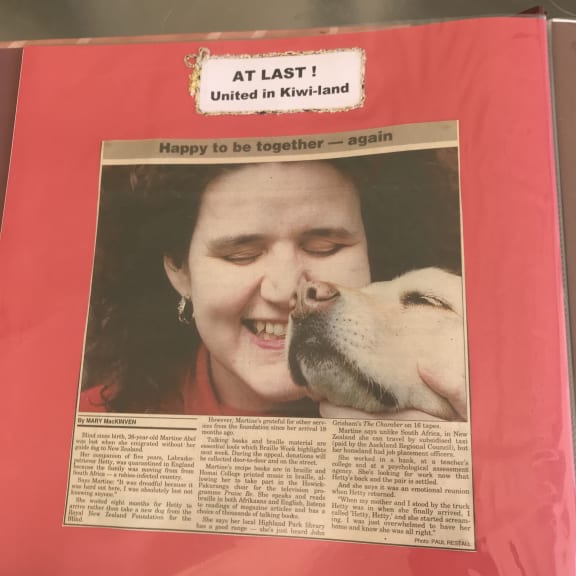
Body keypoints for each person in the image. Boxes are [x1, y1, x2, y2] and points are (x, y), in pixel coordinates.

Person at [80, 148, 462, 417]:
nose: (286, 291)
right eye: (241, 255)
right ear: (181, 273)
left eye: (325, 247)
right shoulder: (92, 418)